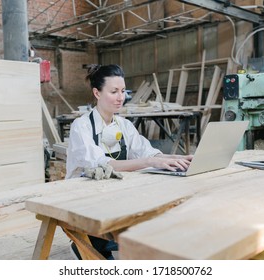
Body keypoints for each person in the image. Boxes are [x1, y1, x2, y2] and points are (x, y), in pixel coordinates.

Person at [65, 64, 193, 259]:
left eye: (123, 91)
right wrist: (148, 162)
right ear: (97, 93)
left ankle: (108, 243)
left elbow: (148, 152)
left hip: (111, 194)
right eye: (114, 91)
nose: (120, 97)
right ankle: (90, 244)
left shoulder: (124, 125)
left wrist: (179, 158)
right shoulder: (80, 126)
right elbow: (104, 164)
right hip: (83, 200)